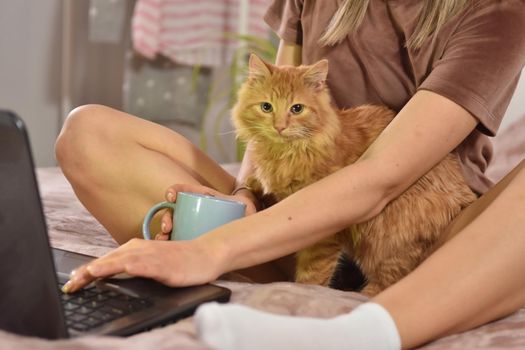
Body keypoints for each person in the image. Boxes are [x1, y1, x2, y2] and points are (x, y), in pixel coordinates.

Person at [55, 0, 525, 349]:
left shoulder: (499, 13)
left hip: (431, 245)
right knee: (87, 132)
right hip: (300, 233)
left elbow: (382, 179)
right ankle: (245, 274)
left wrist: (210, 249)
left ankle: (364, 334)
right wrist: (244, 194)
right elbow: (271, 106)